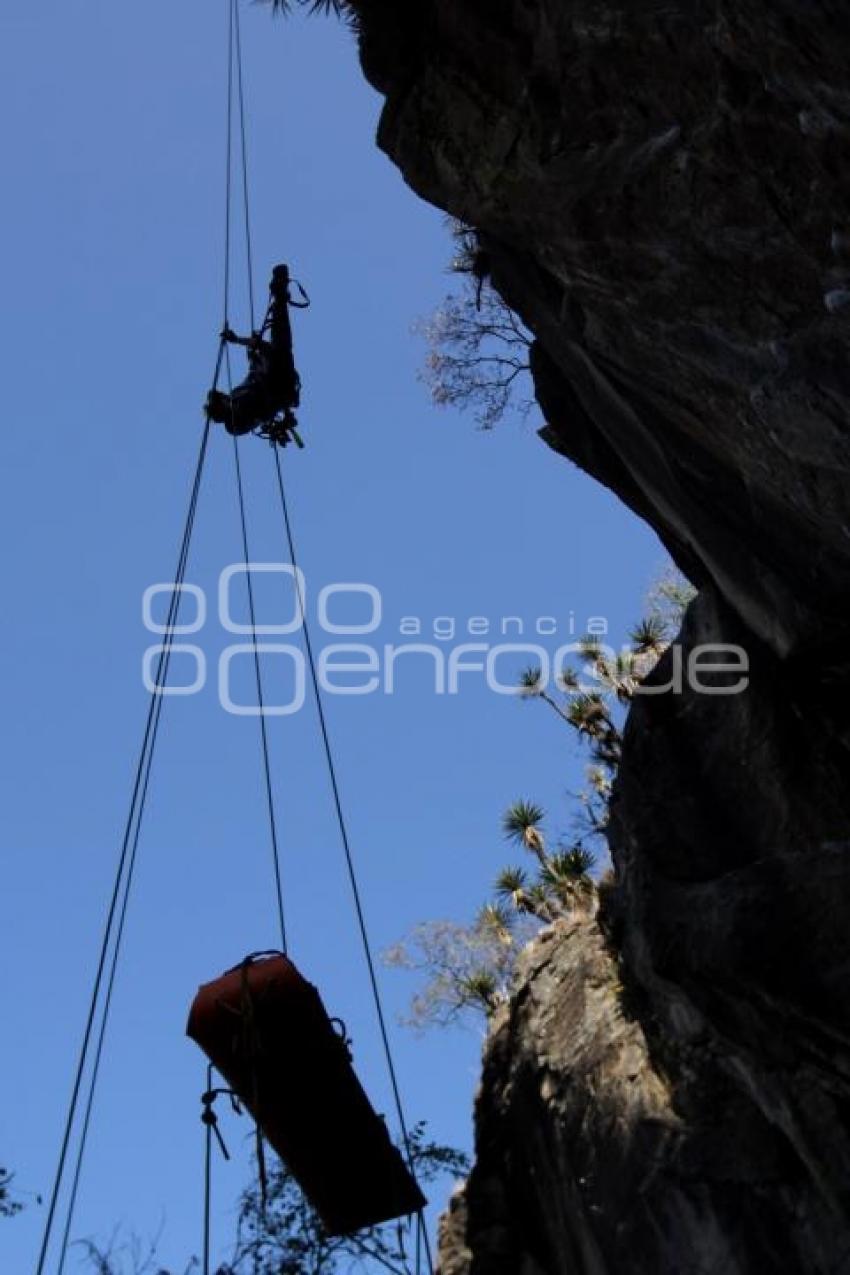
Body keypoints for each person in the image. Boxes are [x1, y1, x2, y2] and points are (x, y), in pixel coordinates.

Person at [206, 264, 310, 439]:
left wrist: (238, 340)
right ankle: (280, 295)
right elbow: (239, 423)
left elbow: (260, 349)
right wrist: (240, 341)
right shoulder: (234, 422)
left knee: (277, 348)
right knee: (278, 349)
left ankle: (280, 296)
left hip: (277, 381)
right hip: (279, 385)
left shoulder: (245, 382)